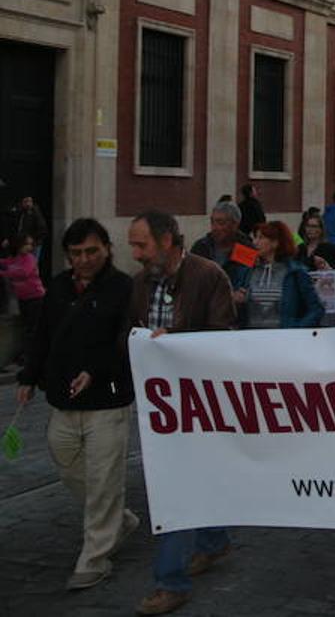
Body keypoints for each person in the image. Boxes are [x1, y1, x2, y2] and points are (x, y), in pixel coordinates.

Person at [17, 218, 137, 591]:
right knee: (66, 461)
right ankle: (120, 519)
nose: (83, 260)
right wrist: (28, 376)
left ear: (106, 249)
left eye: (91, 252)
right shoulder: (57, 287)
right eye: (76, 253)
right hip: (62, 398)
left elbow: (126, 341)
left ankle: (95, 557)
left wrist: (95, 372)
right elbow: (43, 335)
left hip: (107, 399)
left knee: (103, 478)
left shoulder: (124, 288)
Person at [126, 210, 234, 616]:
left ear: (167, 240)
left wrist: (177, 341)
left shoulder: (208, 276)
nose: (134, 253)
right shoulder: (140, 283)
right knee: (189, 478)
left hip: (198, 402)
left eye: (142, 245)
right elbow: (130, 332)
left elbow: (224, 337)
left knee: (174, 485)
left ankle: (170, 581)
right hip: (159, 403)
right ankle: (213, 540)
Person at [233, 221, 323, 329]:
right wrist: (237, 302)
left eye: (260, 238)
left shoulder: (296, 272)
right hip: (252, 338)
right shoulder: (247, 272)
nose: (255, 242)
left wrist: (297, 329)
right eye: (255, 237)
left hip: (283, 339)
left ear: (275, 243)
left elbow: (316, 309)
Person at [1, 232, 45, 360]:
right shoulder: (14, 258)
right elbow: (5, 263)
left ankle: (31, 355)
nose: (30, 247)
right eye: (26, 244)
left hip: (35, 297)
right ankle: (27, 353)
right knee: (26, 327)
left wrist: (4, 273)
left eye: (31, 244)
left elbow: (23, 273)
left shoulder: (30, 258)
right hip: (23, 299)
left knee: (32, 328)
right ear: (18, 245)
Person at [188, 201, 251, 277]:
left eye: (220, 223)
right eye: (212, 222)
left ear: (235, 225)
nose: (214, 227)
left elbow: (249, 280)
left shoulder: (246, 249)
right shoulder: (201, 247)